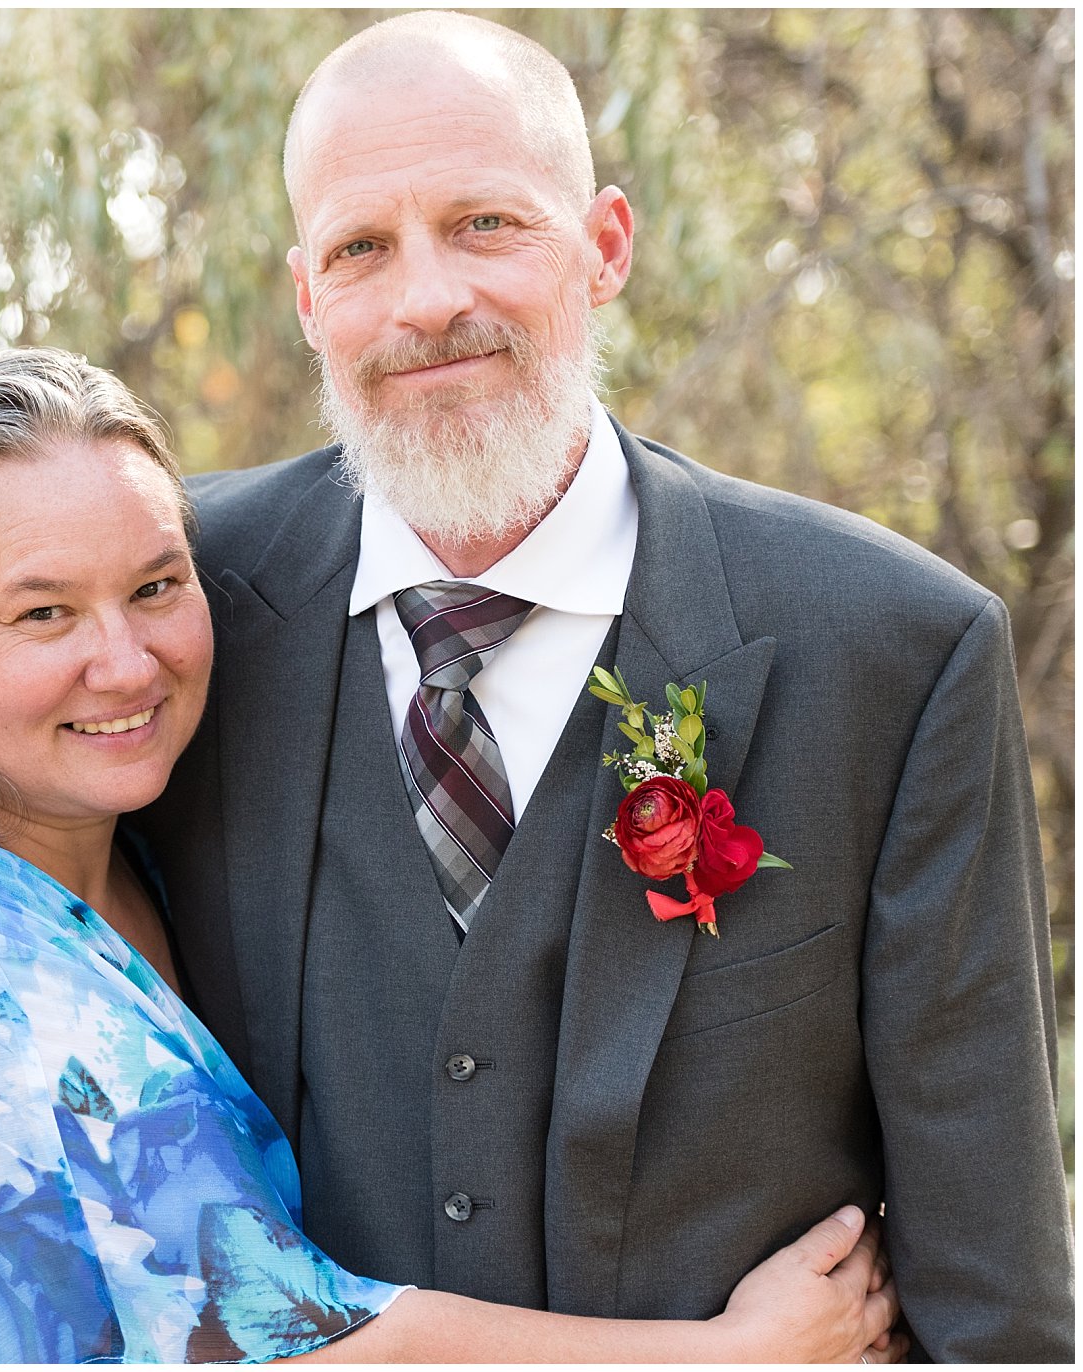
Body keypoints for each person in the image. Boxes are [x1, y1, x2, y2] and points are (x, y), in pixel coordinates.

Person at [0, 349, 902, 1363]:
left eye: (155, 586)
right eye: (42, 614)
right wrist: (723, 1359)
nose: (126, 662)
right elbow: (260, 1336)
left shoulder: (124, 872)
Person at [130, 12, 1072, 1362]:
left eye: (485, 224)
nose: (425, 300)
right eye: (361, 249)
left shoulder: (893, 653)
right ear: (305, 301)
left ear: (606, 245)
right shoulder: (174, 613)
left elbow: (996, 1297)